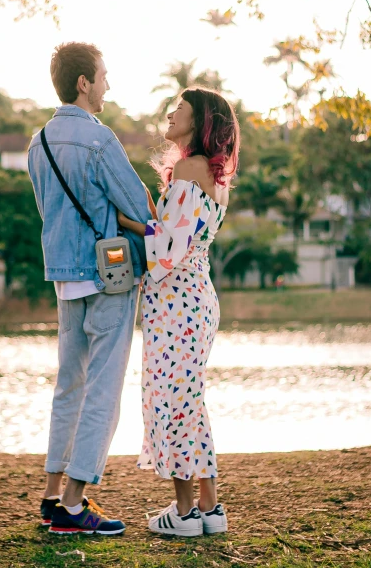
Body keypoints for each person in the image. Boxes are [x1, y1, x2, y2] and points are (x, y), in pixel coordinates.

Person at [28, 42, 151, 536]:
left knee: (69, 387)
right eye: (103, 76)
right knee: (102, 388)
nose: (107, 85)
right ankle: (75, 507)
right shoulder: (99, 140)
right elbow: (139, 207)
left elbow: (47, 209)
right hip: (108, 278)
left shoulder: (39, 141)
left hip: (64, 276)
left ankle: (53, 494)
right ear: (84, 82)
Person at [118, 86, 240, 537]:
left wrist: (128, 222)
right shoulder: (216, 176)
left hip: (175, 301)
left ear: (201, 120)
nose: (171, 114)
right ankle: (210, 508)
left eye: (180, 109)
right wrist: (152, 219)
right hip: (197, 297)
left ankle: (184, 512)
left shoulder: (189, 169)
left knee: (173, 402)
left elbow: (165, 250)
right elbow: (179, 237)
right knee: (189, 400)